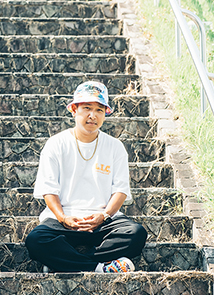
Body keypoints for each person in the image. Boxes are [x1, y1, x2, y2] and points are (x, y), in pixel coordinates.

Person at [25, 81, 147, 273]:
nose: (93, 115)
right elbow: (48, 190)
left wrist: (104, 216)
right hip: (63, 220)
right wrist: (63, 218)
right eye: (87, 108)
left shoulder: (115, 147)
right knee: (36, 240)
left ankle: (63, 262)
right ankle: (99, 267)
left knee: (136, 234)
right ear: (74, 110)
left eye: (99, 110)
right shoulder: (56, 144)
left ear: (105, 114)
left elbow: (120, 190)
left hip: (104, 221)